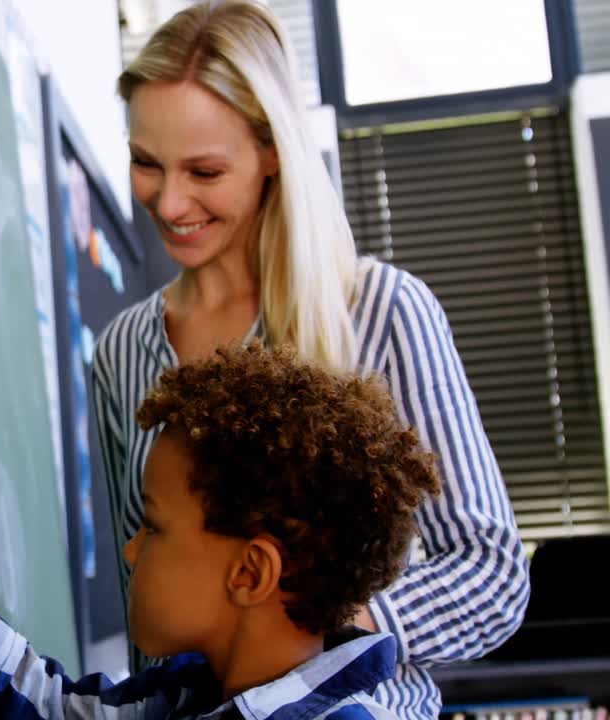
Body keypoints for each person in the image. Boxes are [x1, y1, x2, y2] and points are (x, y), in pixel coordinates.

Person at [91, 3, 528, 717]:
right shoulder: (122, 353)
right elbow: (149, 614)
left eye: (204, 170)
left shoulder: (382, 311)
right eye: (146, 163)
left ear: (270, 152)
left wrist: (322, 630)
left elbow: (493, 576)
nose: (169, 201)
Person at [0, 344, 441, 719]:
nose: (132, 548)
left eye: (154, 526)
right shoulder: (185, 696)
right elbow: (51, 707)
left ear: (249, 572)